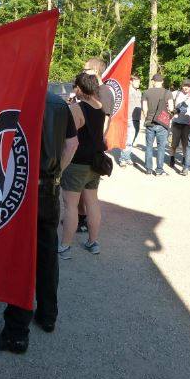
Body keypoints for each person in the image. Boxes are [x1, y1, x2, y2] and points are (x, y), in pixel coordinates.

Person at [0, 91, 78, 354]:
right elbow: (72, 144)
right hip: (49, 187)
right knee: (47, 253)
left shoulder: (17, 98)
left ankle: (16, 332)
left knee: (21, 258)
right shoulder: (59, 103)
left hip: (21, 189)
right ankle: (48, 315)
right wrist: (57, 171)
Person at [59, 72, 106, 258]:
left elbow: (69, 140)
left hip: (77, 163)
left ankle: (65, 246)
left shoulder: (78, 109)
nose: (74, 90)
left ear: (80, 87)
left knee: (70, 206)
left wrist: (61, 167)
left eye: (75, 86)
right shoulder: (99, 106)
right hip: (95, 162)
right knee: (92, 202)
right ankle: (93, 242)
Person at [75, 58, 114, 232]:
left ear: (95, 71)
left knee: (87, 190)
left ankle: (81, 219)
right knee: (84, 189)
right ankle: (80, 217)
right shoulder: (94, 90)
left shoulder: (104, 91)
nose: (83, 72)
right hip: (88, 145)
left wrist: (97, 140)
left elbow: (104, 119)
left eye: (86, 69)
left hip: (91, 147)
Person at [142, 74, 174, 177]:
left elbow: (144, 109)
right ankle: (159, 170)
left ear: (153, 81)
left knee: (149, 146)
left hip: (150, 123)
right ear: (162, 81)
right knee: (161, 147)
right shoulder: (167, 93)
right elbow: (172, 108)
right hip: (162, 124)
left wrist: (147, 118)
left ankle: (148, 169)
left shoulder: (146, 92)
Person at [119, 74, 142, 167]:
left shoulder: (139, 92)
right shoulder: (126, 91)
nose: (138, 83)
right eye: (136, 81)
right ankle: (123, 159)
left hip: (137, 118)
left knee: (132, 139)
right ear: (131, 81)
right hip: (129, 118)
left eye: (139, 82)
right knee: (128, 139)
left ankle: (127, 157)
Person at [169, 79, 190, 169]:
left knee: (185, 144)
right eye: (184, 85)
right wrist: (171, 112)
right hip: (176, 122)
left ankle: (184, 160)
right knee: (174, 144)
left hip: (188, 124)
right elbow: (168, 103)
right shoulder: (175, 93)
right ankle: (172, 158)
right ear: (181, 86)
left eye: (188, 86)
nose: (186, 87)